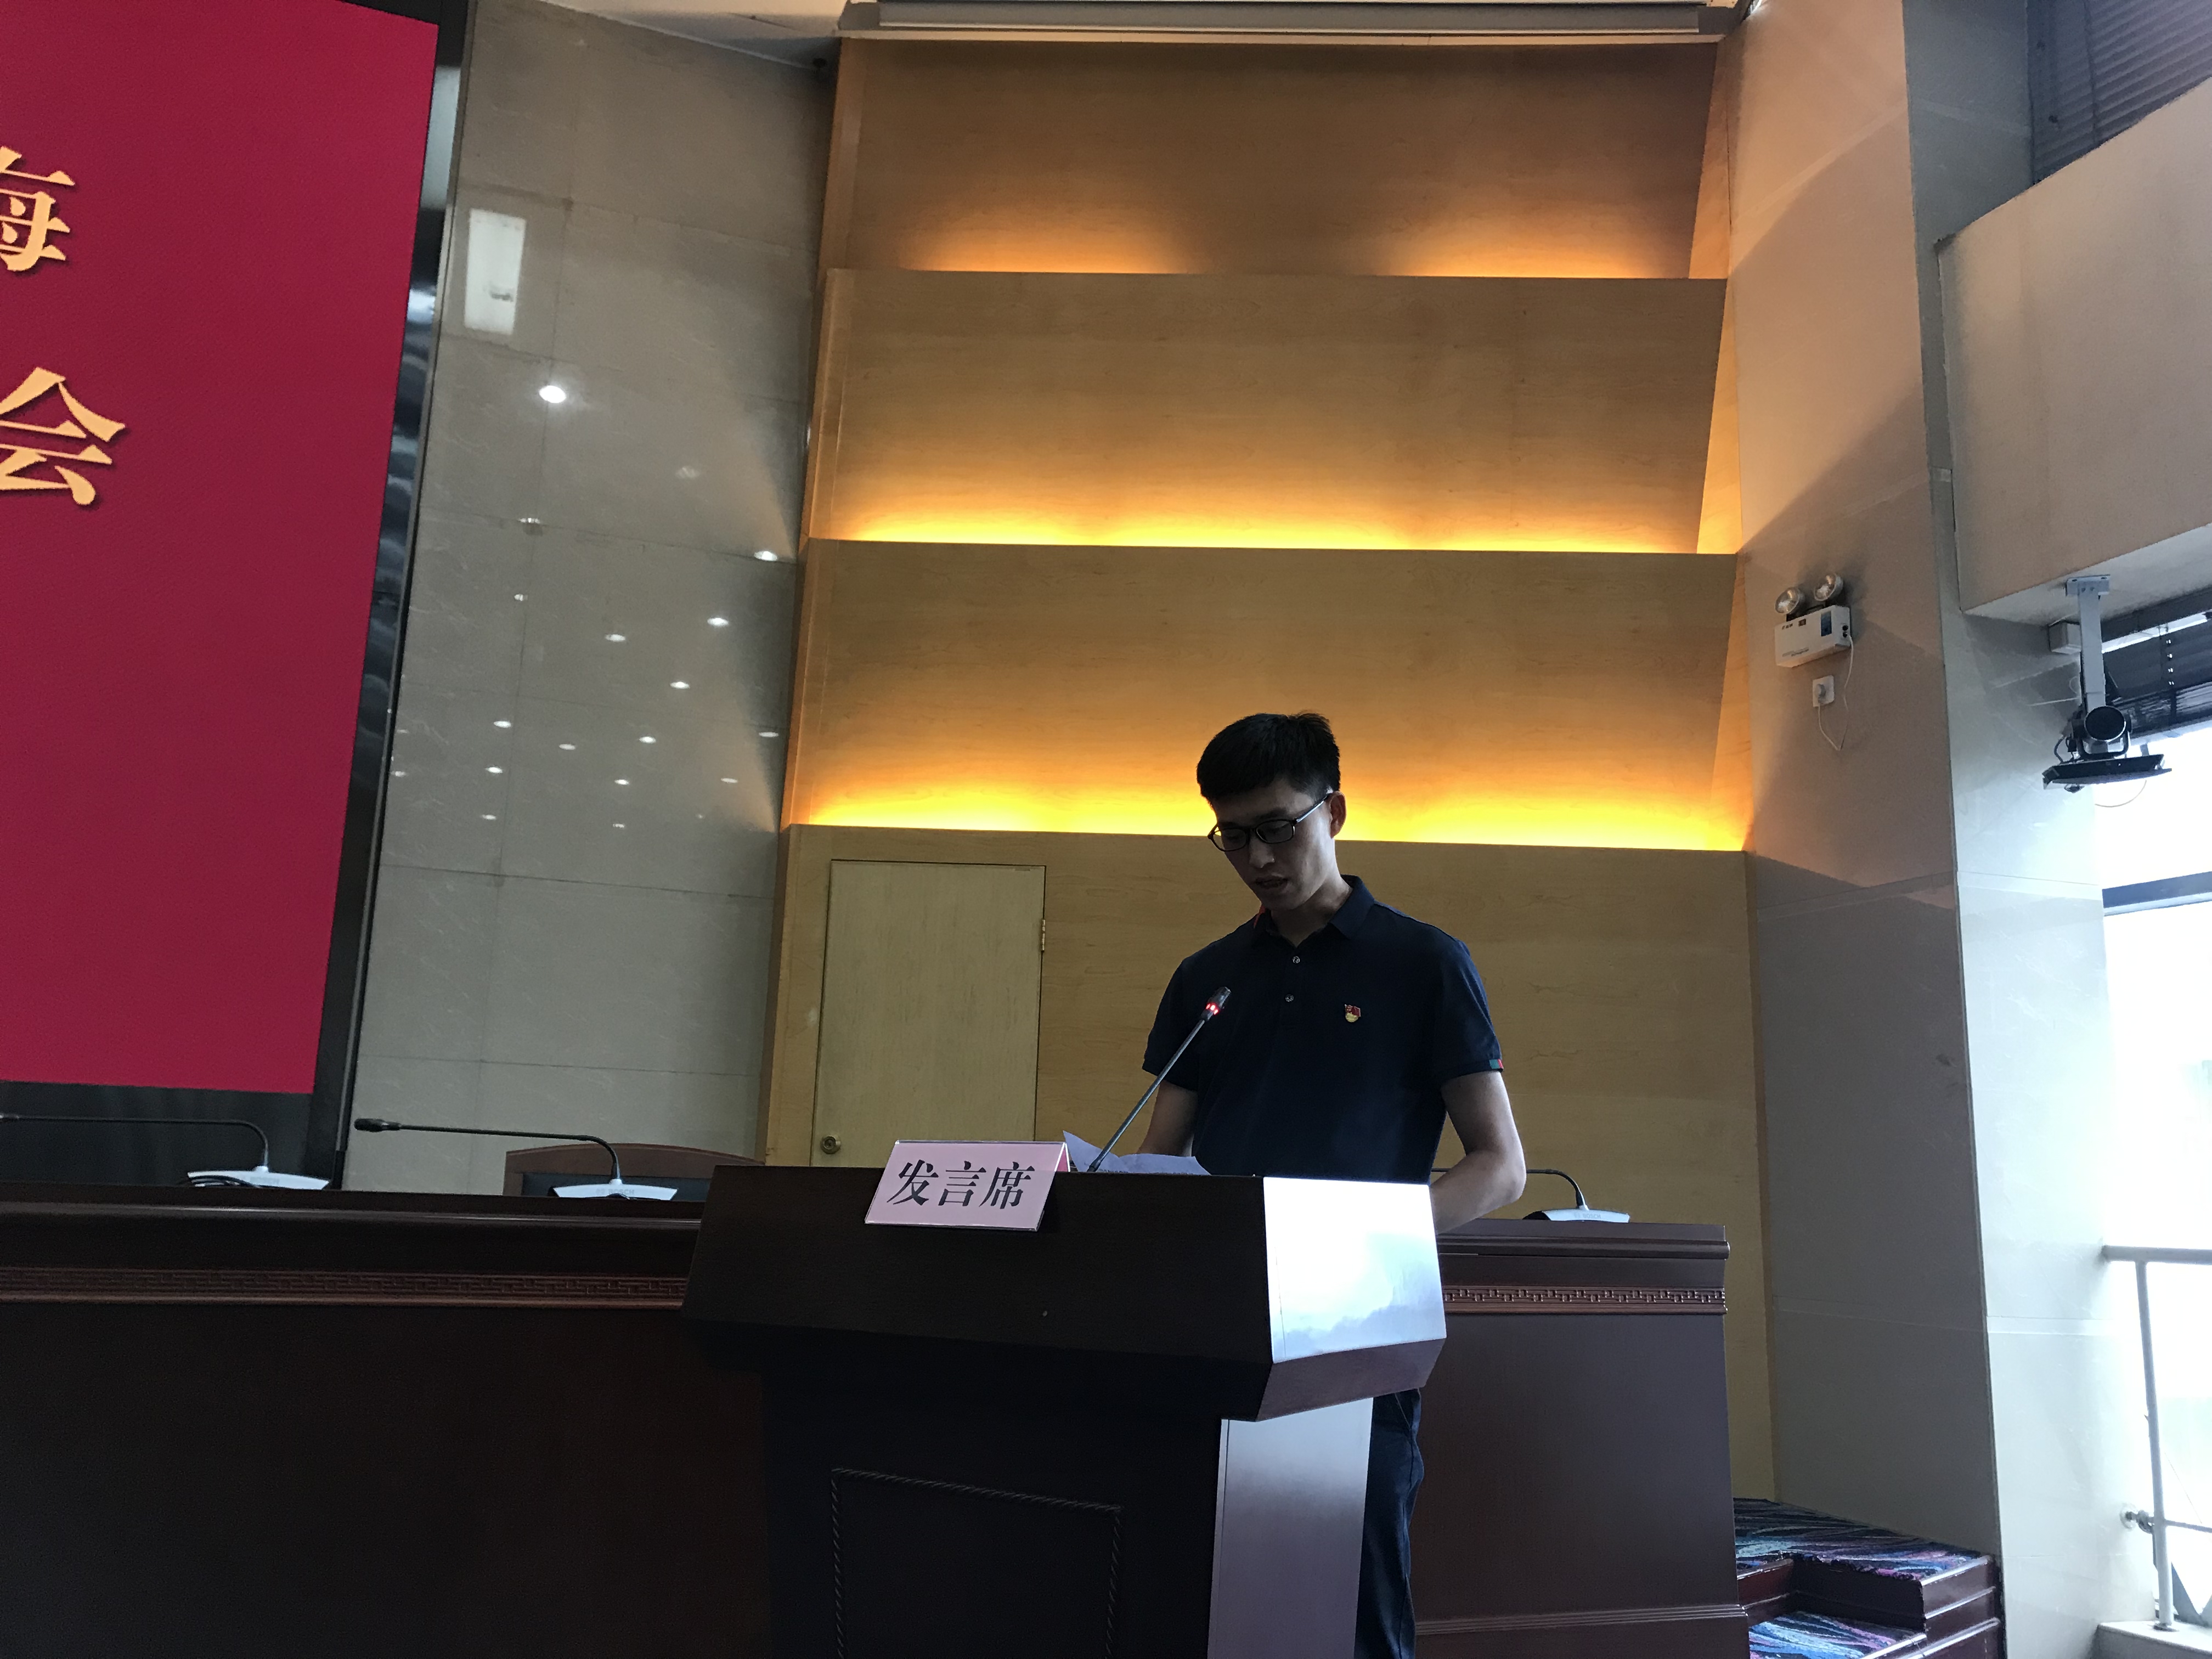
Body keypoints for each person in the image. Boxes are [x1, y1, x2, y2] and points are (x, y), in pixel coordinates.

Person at [1137, 710, 1526, 1659]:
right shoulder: (1207, 978)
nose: (1258, 859)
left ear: (1335, 811)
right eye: (1234, 837)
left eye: (1279, 828)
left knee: (1352, 1591)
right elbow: (1161, 1165)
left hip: (1357, 1323)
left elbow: (1499, 1166)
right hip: (1219, 1318)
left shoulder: (1424, 963)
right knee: (1204, 1586)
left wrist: (1359, 1242)